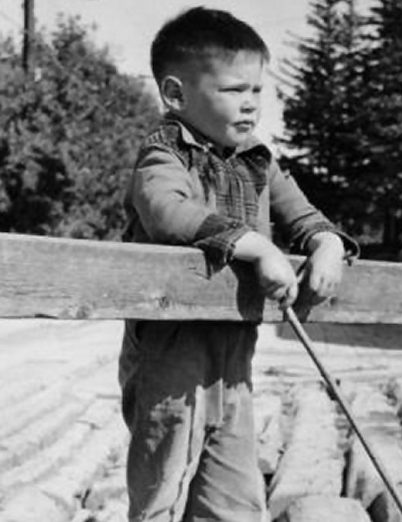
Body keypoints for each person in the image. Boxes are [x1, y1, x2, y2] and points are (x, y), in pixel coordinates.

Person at [118, 7, 357, 521]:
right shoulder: (163, 157)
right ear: (176, 95)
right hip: (170, 353)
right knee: (161, 486)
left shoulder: (256, 162)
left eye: (257, 91)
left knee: (232, 497)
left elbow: (304, 215)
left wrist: (327, 245)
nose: (249, 104)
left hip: (234, 356)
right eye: (232, 90)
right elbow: (168, 213)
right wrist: (258, 247)